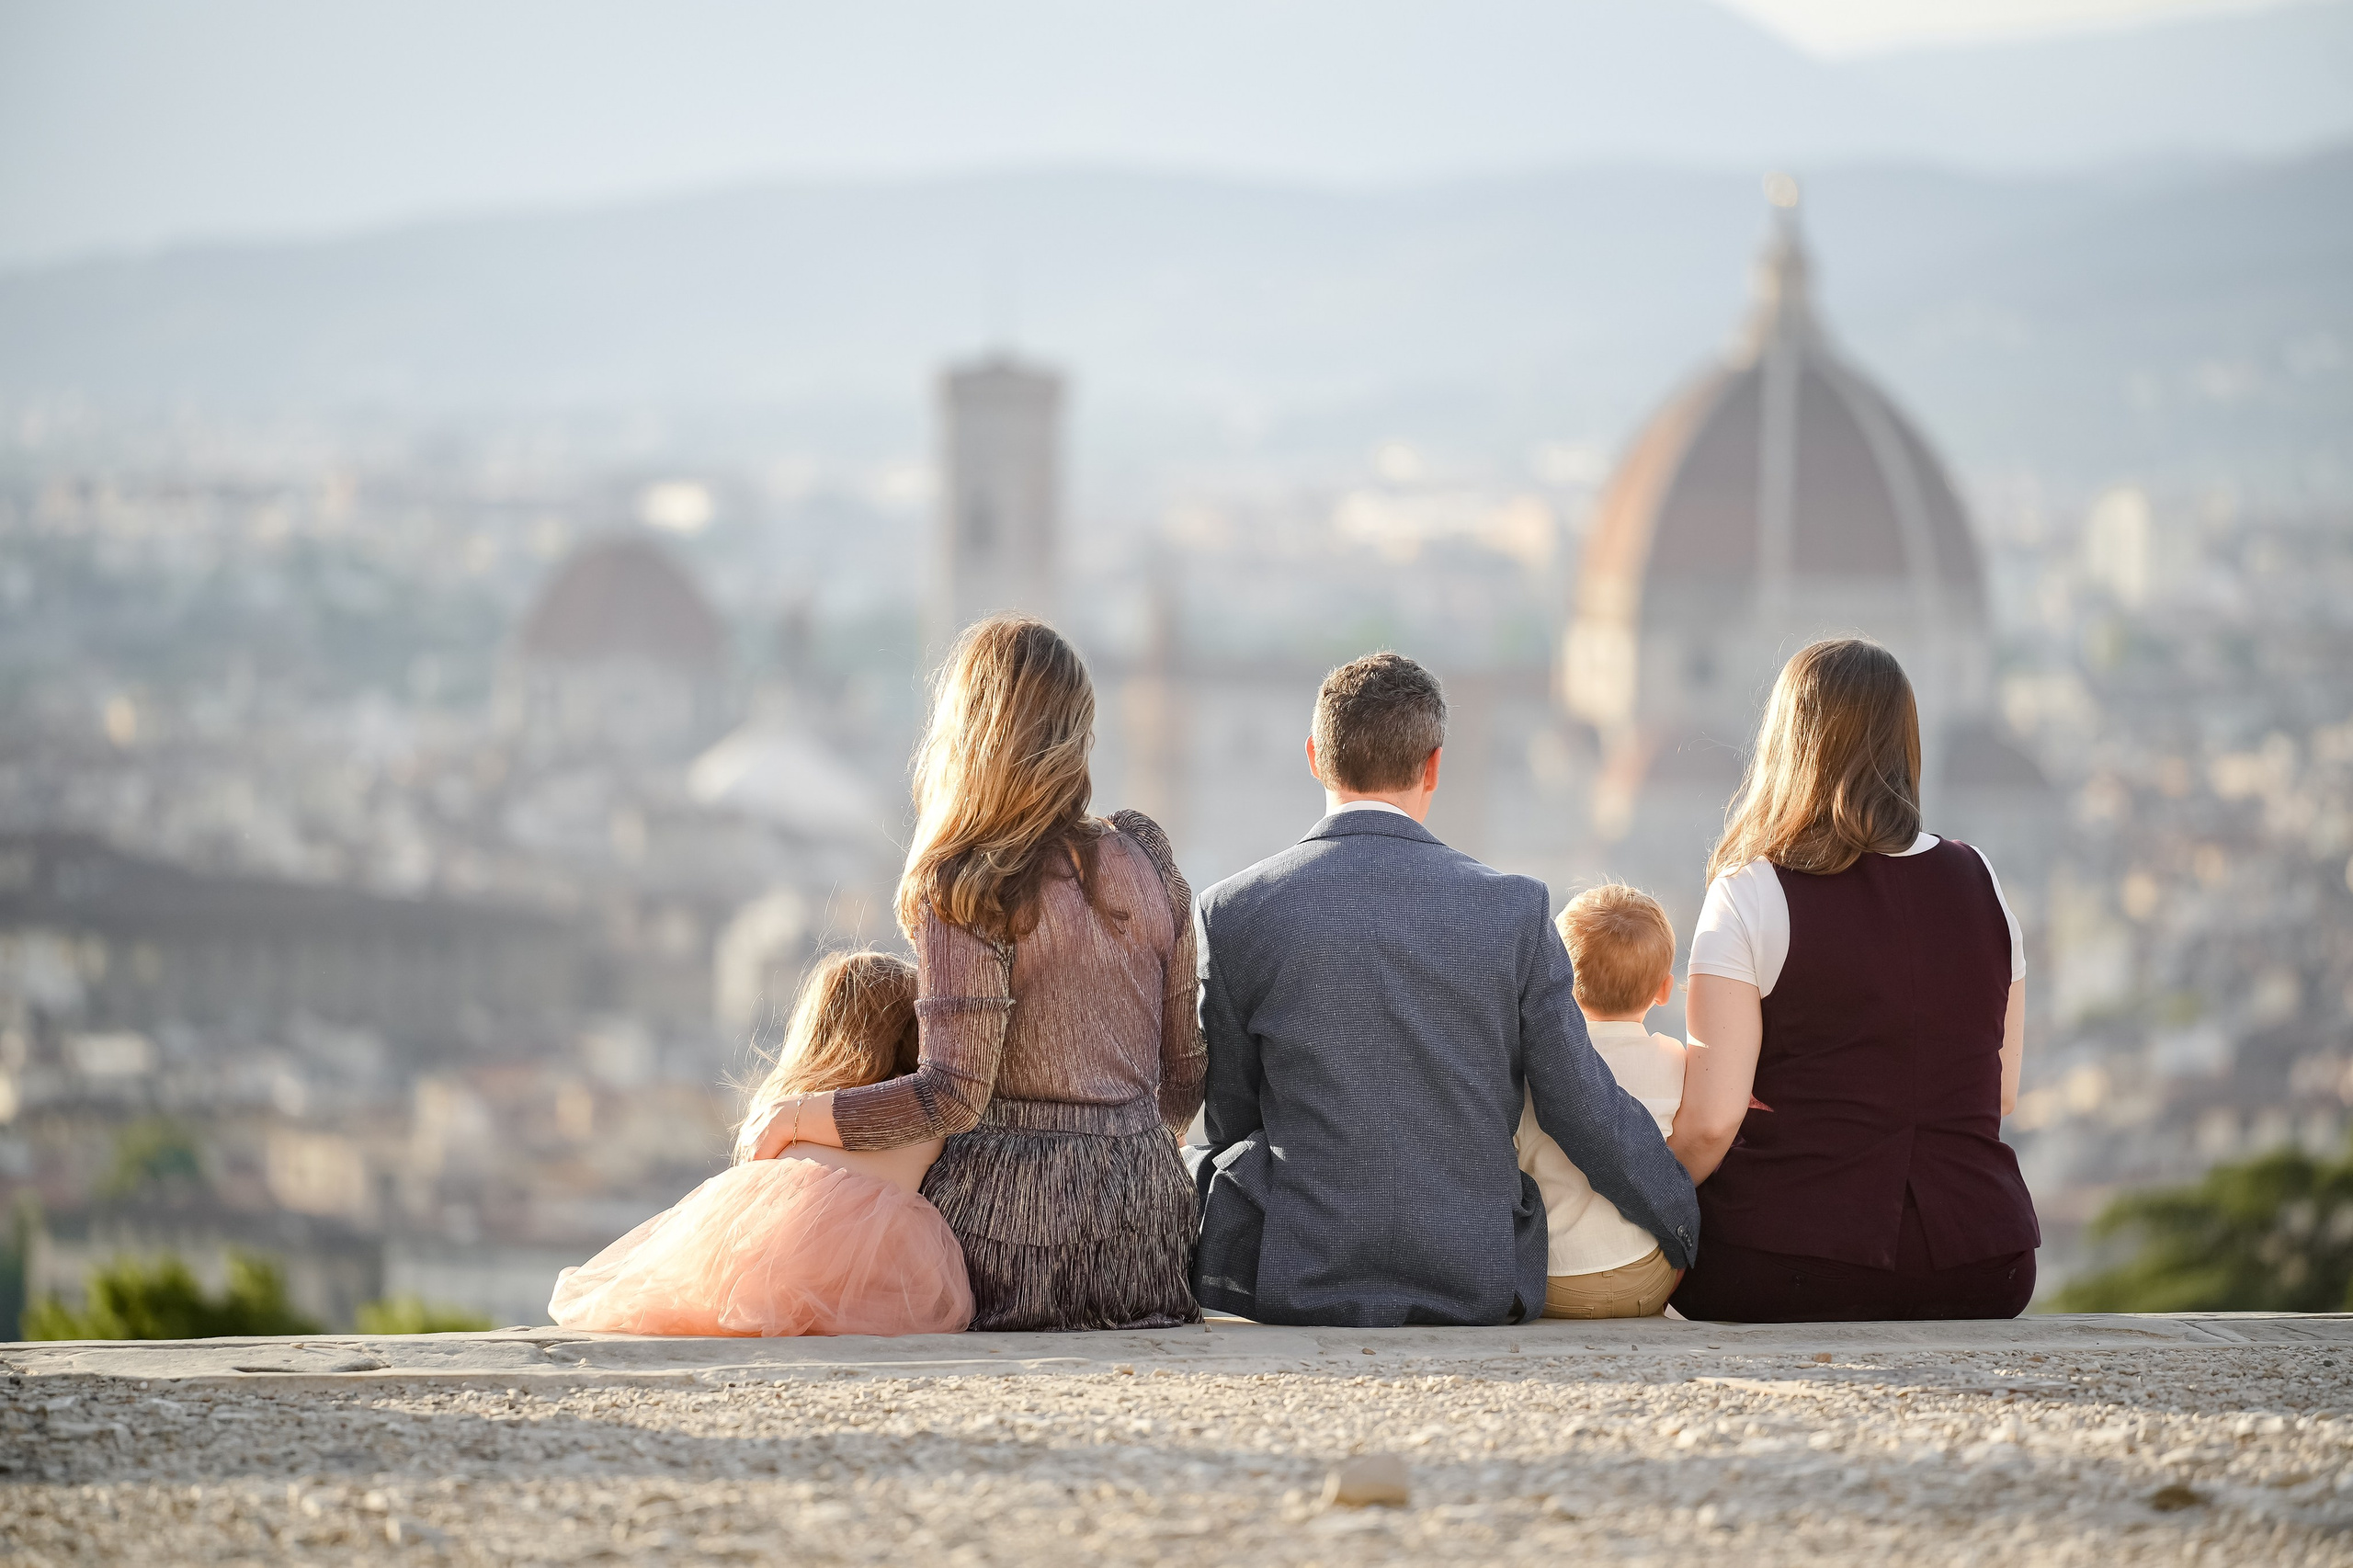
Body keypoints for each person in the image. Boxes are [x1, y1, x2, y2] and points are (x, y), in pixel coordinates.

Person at [1191, 652, 1697, 1326]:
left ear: (1314, 757)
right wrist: (1679, 1217)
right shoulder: (1515, 910)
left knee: (1200, 1157)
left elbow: (1232, 1116)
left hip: (1304, 1271)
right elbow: (1579, 1105)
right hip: (1474, 1271)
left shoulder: (1233, 912)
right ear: (1432, 766)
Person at [739, 616, 1205, 1332]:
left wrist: (796, 1115)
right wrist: (1122, 1158)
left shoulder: (966, 881)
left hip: (1009, 1247)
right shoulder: (1146, 854)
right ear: (1079, 730)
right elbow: (1185, 1075)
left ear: (967, 732)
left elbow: (952, 1097)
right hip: (1151, 1247)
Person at [1667, 637, 2040, 1323]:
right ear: (1906, 745)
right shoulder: (1980, 879)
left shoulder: (1750, 892)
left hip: (1786, 1263)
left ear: (1788, 743)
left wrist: (1641, 1204)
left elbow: (1712, 1123)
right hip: (1986, 1265)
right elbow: (2003, 1090)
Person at [547, 950, 973, 1337]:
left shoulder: (793, 1113)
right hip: (888, 1278)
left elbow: (754, 1189)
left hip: (769, 1270)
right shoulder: (927, 1120)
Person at [1516, 883, 1688, 1320]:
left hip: (1550, 1280)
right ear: (1664, 989)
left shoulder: (1533, 1068)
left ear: (1562, 983)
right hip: (1646, 1279)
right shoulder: (1674, 1060)